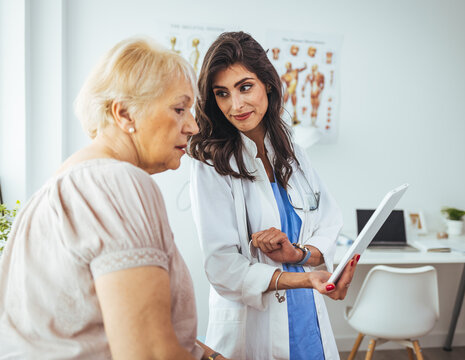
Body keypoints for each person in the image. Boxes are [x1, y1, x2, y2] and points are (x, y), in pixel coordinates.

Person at [0, 37, 226, 360]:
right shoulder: (117, 182)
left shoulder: (55, 191)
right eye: (179, 109)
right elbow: (149, 354)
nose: (192, 126)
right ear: (125, 115)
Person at [189, 31, 359, 360]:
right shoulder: (211, 163)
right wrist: (303, 279)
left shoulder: (290, 147)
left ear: (266, 82)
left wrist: (297, 255)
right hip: (253, 326)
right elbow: (221, 266)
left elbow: (328, 220)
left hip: (306, 316)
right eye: (222, 93)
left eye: (245, 87)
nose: (235, 105)